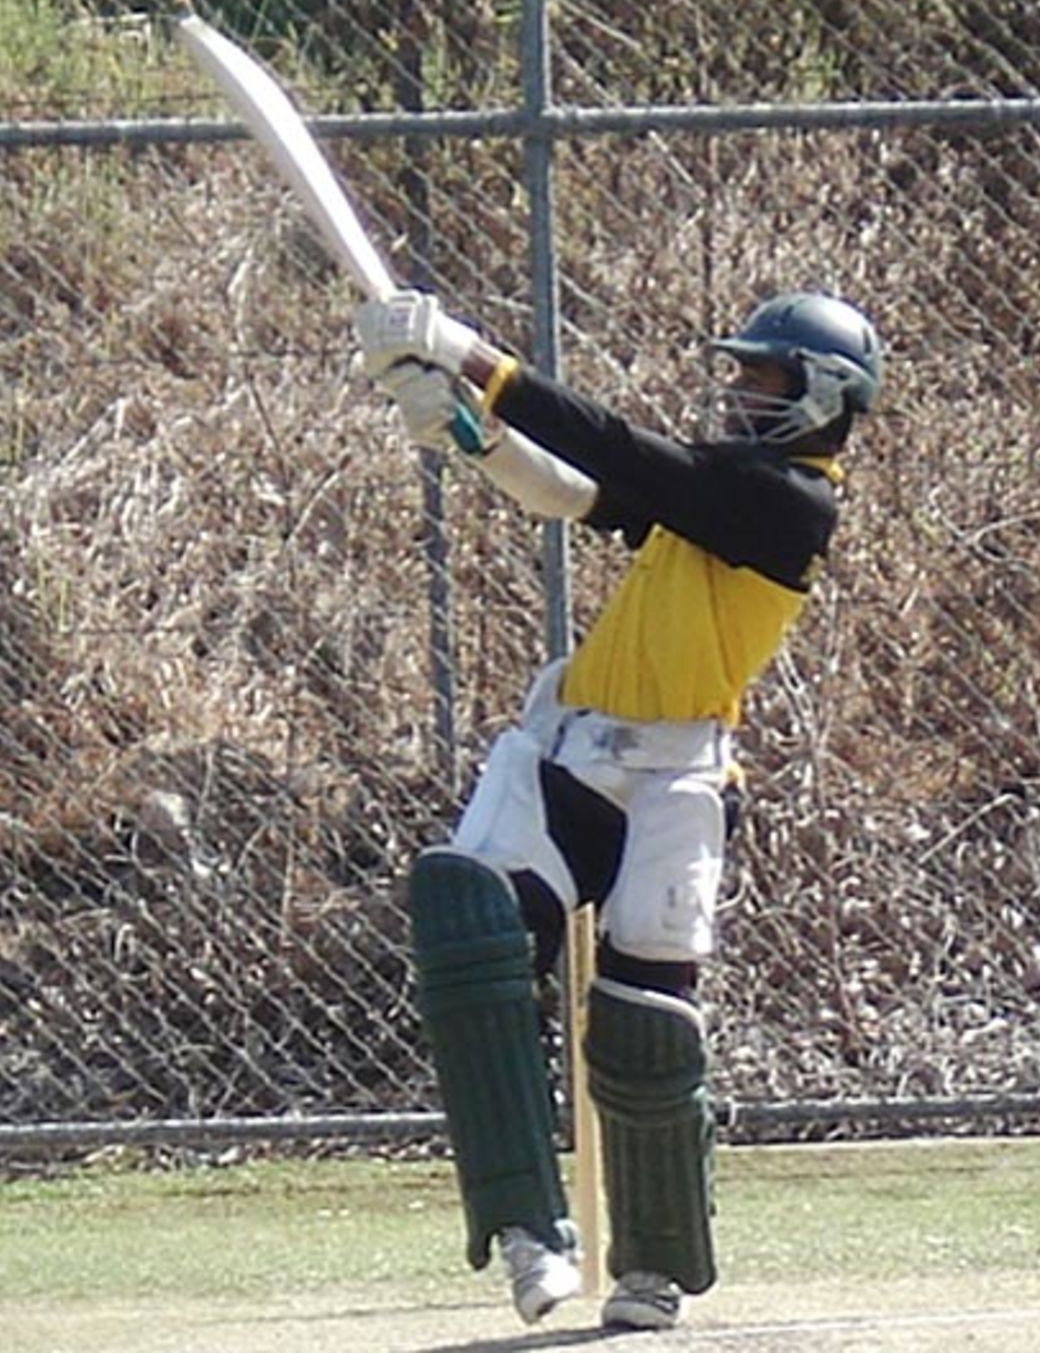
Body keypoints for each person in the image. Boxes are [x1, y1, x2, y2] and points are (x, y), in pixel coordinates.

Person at [354, 287, 883, 1330]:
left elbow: (631, 460)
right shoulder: (719, 489)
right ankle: (524, 1228)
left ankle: (651, 1266)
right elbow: (579, 492)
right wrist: (472, 435)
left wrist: (473, 359)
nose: (738, 392)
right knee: (472, 933)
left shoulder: (789, 505)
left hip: (678, 777)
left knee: (645, 1028)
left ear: (820, 395)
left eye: (761, 377)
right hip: (573, 755)